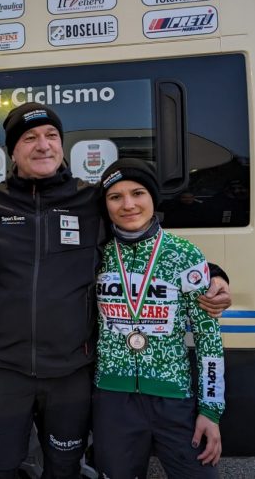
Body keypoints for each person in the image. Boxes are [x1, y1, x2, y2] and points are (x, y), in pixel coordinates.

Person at [0, 102, 231, 478]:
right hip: (3, 369)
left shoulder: (91, 201)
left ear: (62, 145)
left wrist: (214, 274)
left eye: (51, 136)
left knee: (63, 466)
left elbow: (142, 242)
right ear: (13, 150)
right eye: (30, 138)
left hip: (70, 371)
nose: (43, 145)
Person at [92, 158, 224, 478]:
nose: (128, 205)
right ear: (106, 205)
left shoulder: (184, 254)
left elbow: (209, 337)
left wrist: (211, 411)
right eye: (115, 197)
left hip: (174, 398)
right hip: (113, 399)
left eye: (137, 193)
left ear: (152, 197)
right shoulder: (96, 254)